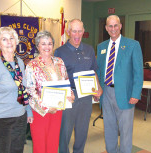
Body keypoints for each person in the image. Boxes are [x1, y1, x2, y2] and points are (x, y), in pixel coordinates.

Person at [96, 15, 143, 153]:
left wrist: (136, 93)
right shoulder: (101, 47)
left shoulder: (133, 45)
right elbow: (99, 71)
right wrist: (98, 89)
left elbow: (138, 72)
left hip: (125, 94)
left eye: (116, 25)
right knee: (109, 128)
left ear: (120, 26)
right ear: (106, 28)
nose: (113, 29)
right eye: (110, 26)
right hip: (106, 93)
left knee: (125, 130)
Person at [0, 27, 33, 153]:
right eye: (4, 39)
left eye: (11, 38)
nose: (9, 42)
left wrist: (29, 111)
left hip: (20, 118)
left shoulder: (20, 63)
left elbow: (23, 89)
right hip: (1, 120)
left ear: (16, 42)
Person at [54, 19, 102, 153]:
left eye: (79, 31)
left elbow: (93, 71)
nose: (77, 34)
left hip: (86, 96)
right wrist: (67, 92)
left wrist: (98, 87)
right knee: (65, 132)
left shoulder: (89, 49)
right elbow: (57, 77)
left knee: (82, 130)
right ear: (68, 32)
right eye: (74, 31)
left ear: (83, 32)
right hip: (69, 97)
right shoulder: (59, 52)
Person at [25, 30, 74, 153]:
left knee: (53, 143)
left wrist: (70, 95)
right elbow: (30, 91)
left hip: (57, 110)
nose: (47, 47)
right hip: (40, 111)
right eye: (43, 44)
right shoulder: (32, 65)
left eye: (50, 43)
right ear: (38, 46)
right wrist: (46, 108)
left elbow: (66, 81)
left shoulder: (59, 62)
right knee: (40, 145)